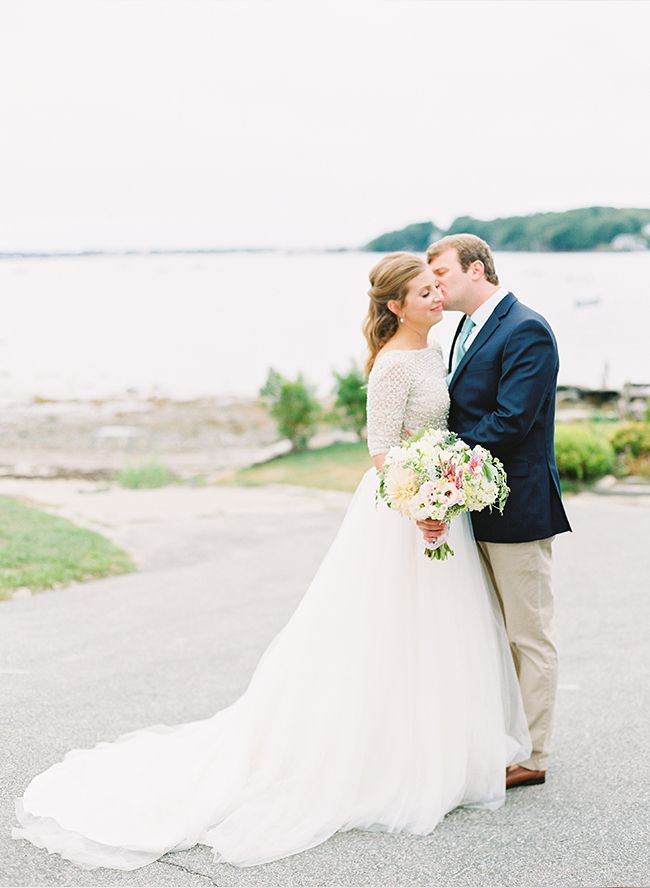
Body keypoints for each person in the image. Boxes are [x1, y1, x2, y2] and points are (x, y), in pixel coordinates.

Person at [13, 252, 530, 871]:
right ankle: (382, 757)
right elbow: (379, 449)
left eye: (436, 288)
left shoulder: (432, 350)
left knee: (435, 633)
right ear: (396, 306)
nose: (437, 297)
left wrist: (448, 486)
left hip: (438, 506)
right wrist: (420, 500)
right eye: (424, 292)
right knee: (384, 630)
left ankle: (437, 748)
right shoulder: (393, 365)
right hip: (401, 513)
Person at [419, 234, 571, 789]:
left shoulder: (526, 328)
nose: (435, 285)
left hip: (519, 507)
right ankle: (504, 738)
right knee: (487, 632)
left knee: (529, 634)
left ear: (477, 269)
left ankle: (534, 755)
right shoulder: (466, 329)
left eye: (442, 273)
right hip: (474, 506)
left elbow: (511, 421)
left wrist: (439, 463)